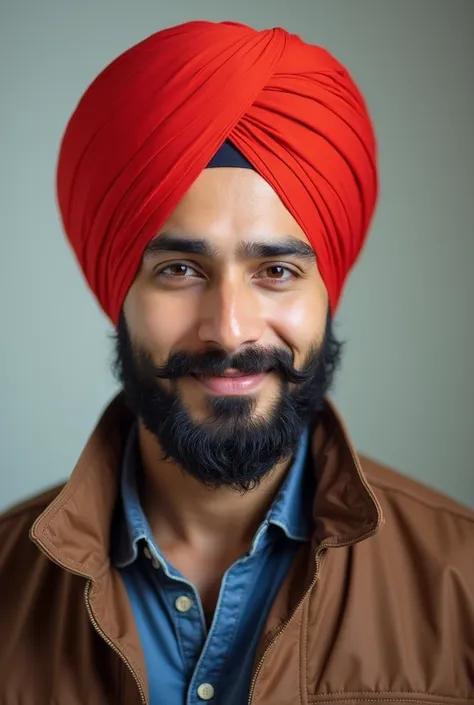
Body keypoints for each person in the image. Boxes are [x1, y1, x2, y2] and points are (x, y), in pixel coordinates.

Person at [0, 19, 472, 705]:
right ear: (119, 292)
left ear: (326, 292)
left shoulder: (461, 579)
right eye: (181, 269)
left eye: (276, 269)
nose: (229, 329)